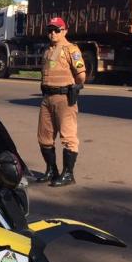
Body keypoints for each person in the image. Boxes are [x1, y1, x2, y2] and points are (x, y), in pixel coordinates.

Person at [35, 17, 86, 186]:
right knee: (44, 137)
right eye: (50, 30)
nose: (53, 33)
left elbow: (81, 76)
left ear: (64, 31)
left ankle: (68, 174)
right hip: (47, 98)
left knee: (68, 136)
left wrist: (73, 87)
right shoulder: (48, 50)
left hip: (64, 98)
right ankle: (52, 170)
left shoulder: (71, 49)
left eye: (56, 30)